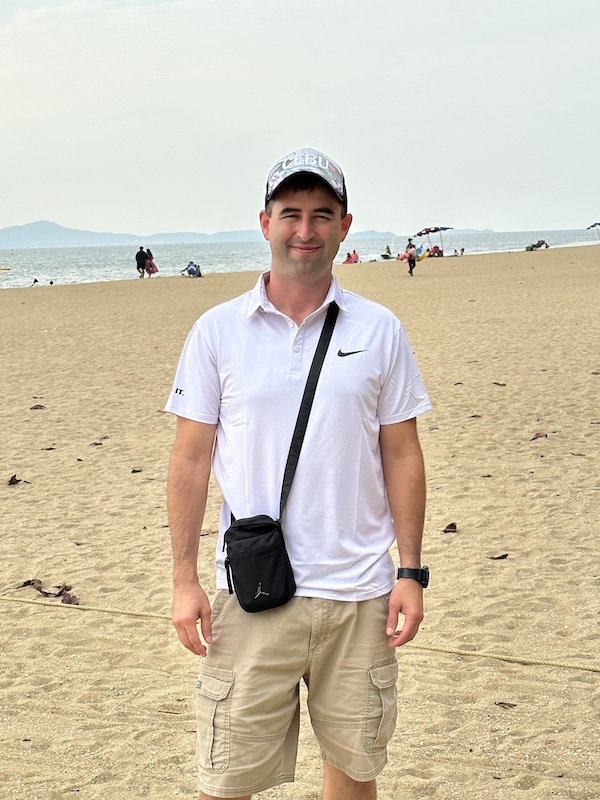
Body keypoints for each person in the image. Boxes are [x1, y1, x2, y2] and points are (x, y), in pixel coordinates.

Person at [165, 146, 431, 800]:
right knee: (225, 778)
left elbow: (402, 453)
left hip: (360, 594)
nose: (305, 230)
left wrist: (410, 571)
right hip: (252, 592)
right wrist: (183, 581)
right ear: (265, 223)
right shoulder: (217, 331)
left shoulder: (380, 330)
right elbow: (190, 459)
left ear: (345, 226)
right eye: (291, 214)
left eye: (321, 214)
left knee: (353, 770)